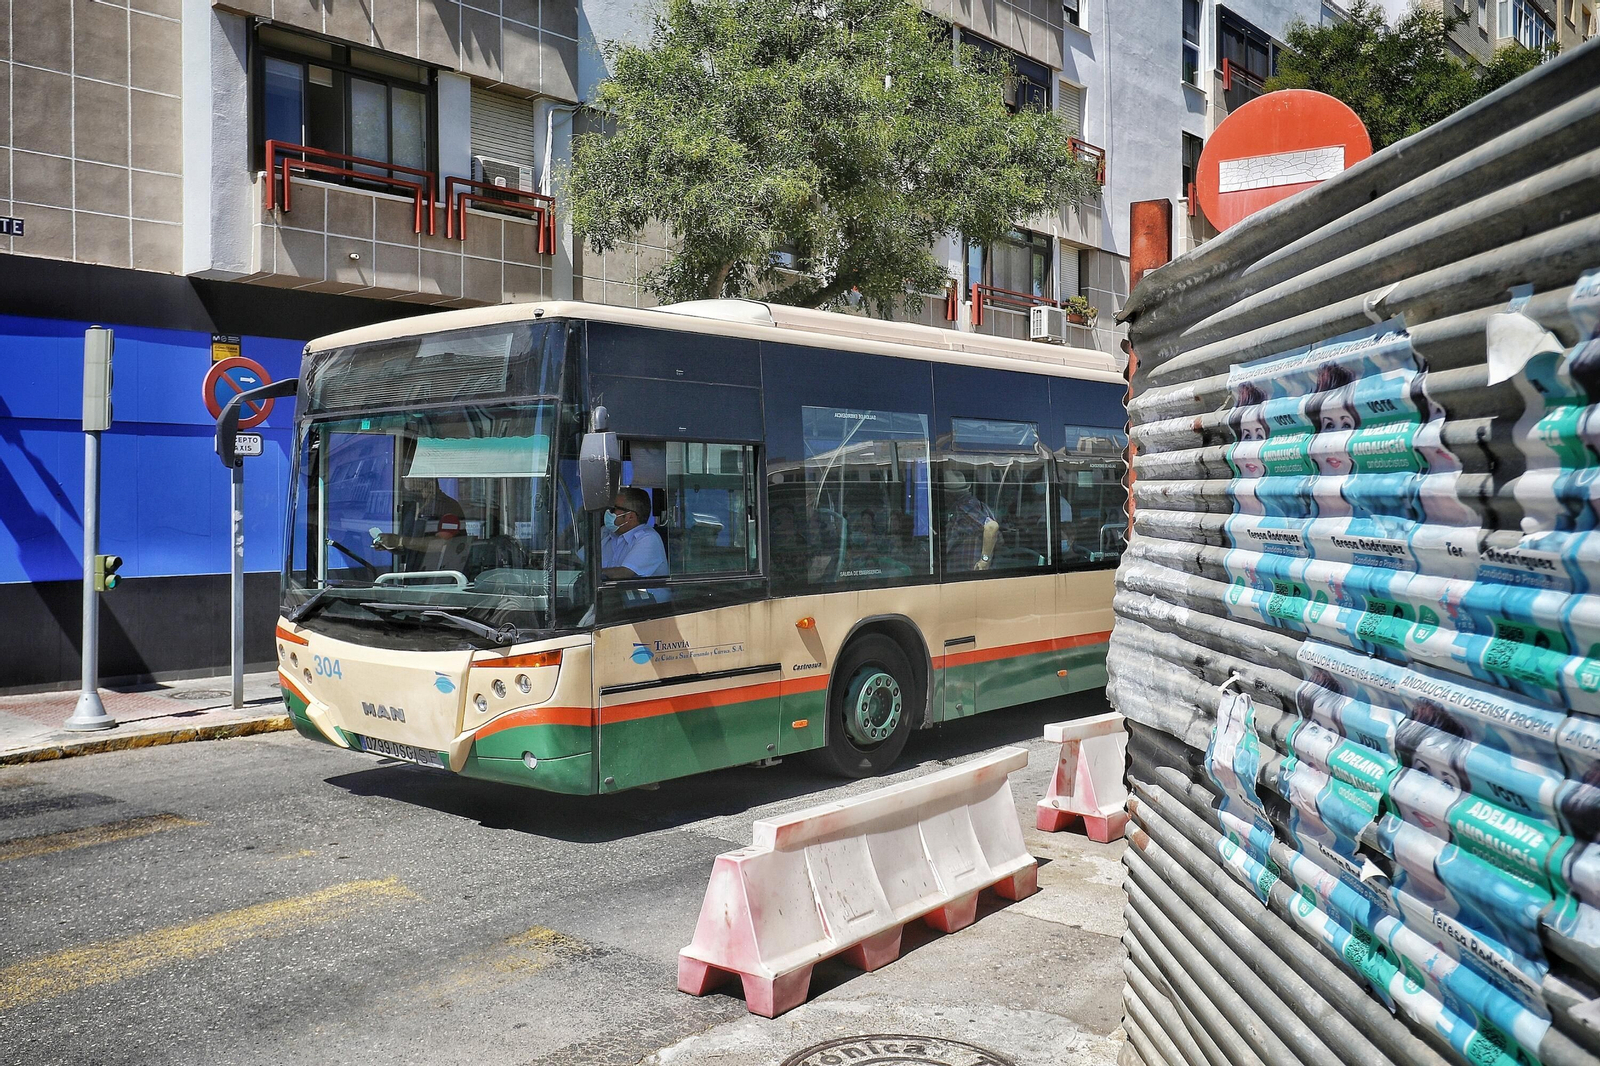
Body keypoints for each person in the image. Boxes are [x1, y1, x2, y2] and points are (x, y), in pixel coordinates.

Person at [373, 478, 467, 572]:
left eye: (415, 491)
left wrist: (400, 541)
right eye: (407, 492)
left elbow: (441, 544)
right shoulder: (412, 507)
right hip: (414, 572)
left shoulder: (448, 507)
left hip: (439, 573)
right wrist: (390, 545)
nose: (410, 496)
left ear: (430, 486)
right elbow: (409, 544)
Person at [601, 486, 668, 580]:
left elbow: (624, 573)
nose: (608, 512)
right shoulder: (605, 532)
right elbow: (582, 561)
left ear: (630, 517)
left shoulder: (648, 538)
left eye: (613, 509)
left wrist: (591, 573)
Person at [942, 468, 1000, 571]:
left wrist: (984, 560)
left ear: (949, 494)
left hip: (969, 569)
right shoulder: (977, 504)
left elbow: (992, 527)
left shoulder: (964, 508)